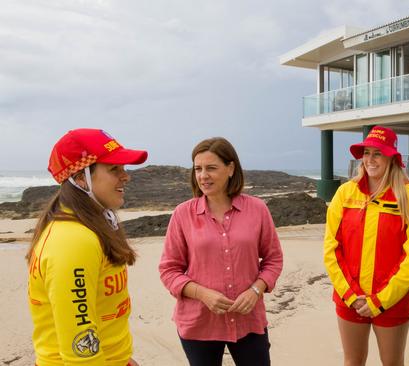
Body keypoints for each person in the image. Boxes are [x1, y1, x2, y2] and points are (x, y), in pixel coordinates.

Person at [27, 128, 148, 365]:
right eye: (114, 169)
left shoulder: (89, 225)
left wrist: (123, 356)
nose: (126, 176)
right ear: (81, 177)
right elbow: (79, 351)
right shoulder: (73, 241)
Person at [159, 137, 283, 366]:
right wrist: (202, 294)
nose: (203, 175)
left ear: (231, 168)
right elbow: (169, 270)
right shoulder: (182, 214)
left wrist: (256, 290)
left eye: (211, 168)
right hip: (199, 323)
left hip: (249, 320)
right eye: (198, 169)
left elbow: (273, 259)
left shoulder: (257, 209)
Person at [323, 125, 409, 366]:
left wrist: (380, 300)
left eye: (377, 153)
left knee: (392, 363)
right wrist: (350, 295)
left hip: (392, 301)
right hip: (350, 298)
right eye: (366, 153)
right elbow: (331, 249)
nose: (370, 159)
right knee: (353, 362)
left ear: (391, 156)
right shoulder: (344, 193)